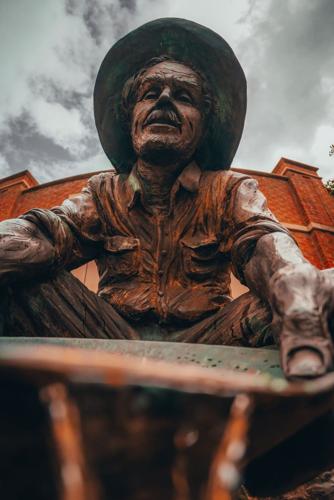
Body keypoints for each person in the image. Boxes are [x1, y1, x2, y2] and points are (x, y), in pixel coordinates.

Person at [0, 18, 333, 380]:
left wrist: (292, 284)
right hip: (104, 336)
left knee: (319, 293)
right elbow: (47, 235)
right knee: (19, 274)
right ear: (132, 119)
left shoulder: (228, 188)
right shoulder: (102, 192)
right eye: (150, 93)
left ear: (204, 125)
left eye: (183, 96)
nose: (163, 100)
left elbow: (262, 246)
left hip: (213, 341)